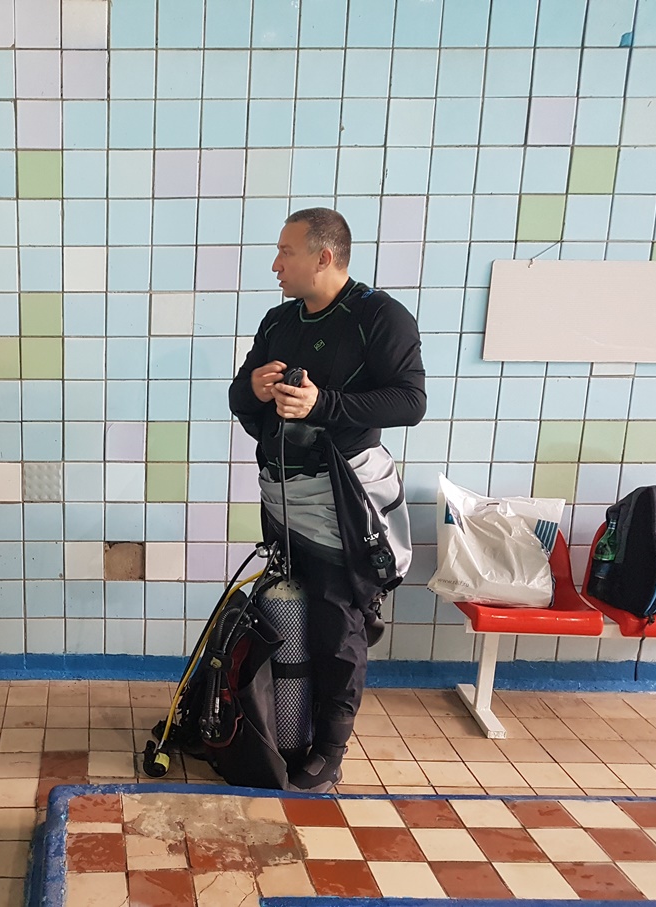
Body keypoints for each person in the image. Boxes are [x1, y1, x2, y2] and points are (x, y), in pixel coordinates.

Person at [228, 208, 426, 792]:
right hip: (283, 498)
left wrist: (324, 406)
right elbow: (240, 400)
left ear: (324, 256)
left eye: (285, 252)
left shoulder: (380, 317)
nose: (275, 264)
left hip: (343, 500)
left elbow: (410, 402)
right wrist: (253, 388)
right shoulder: (278, 320)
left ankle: (329, 750)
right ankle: (287, 726)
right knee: (288, 610)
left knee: (336, 625)